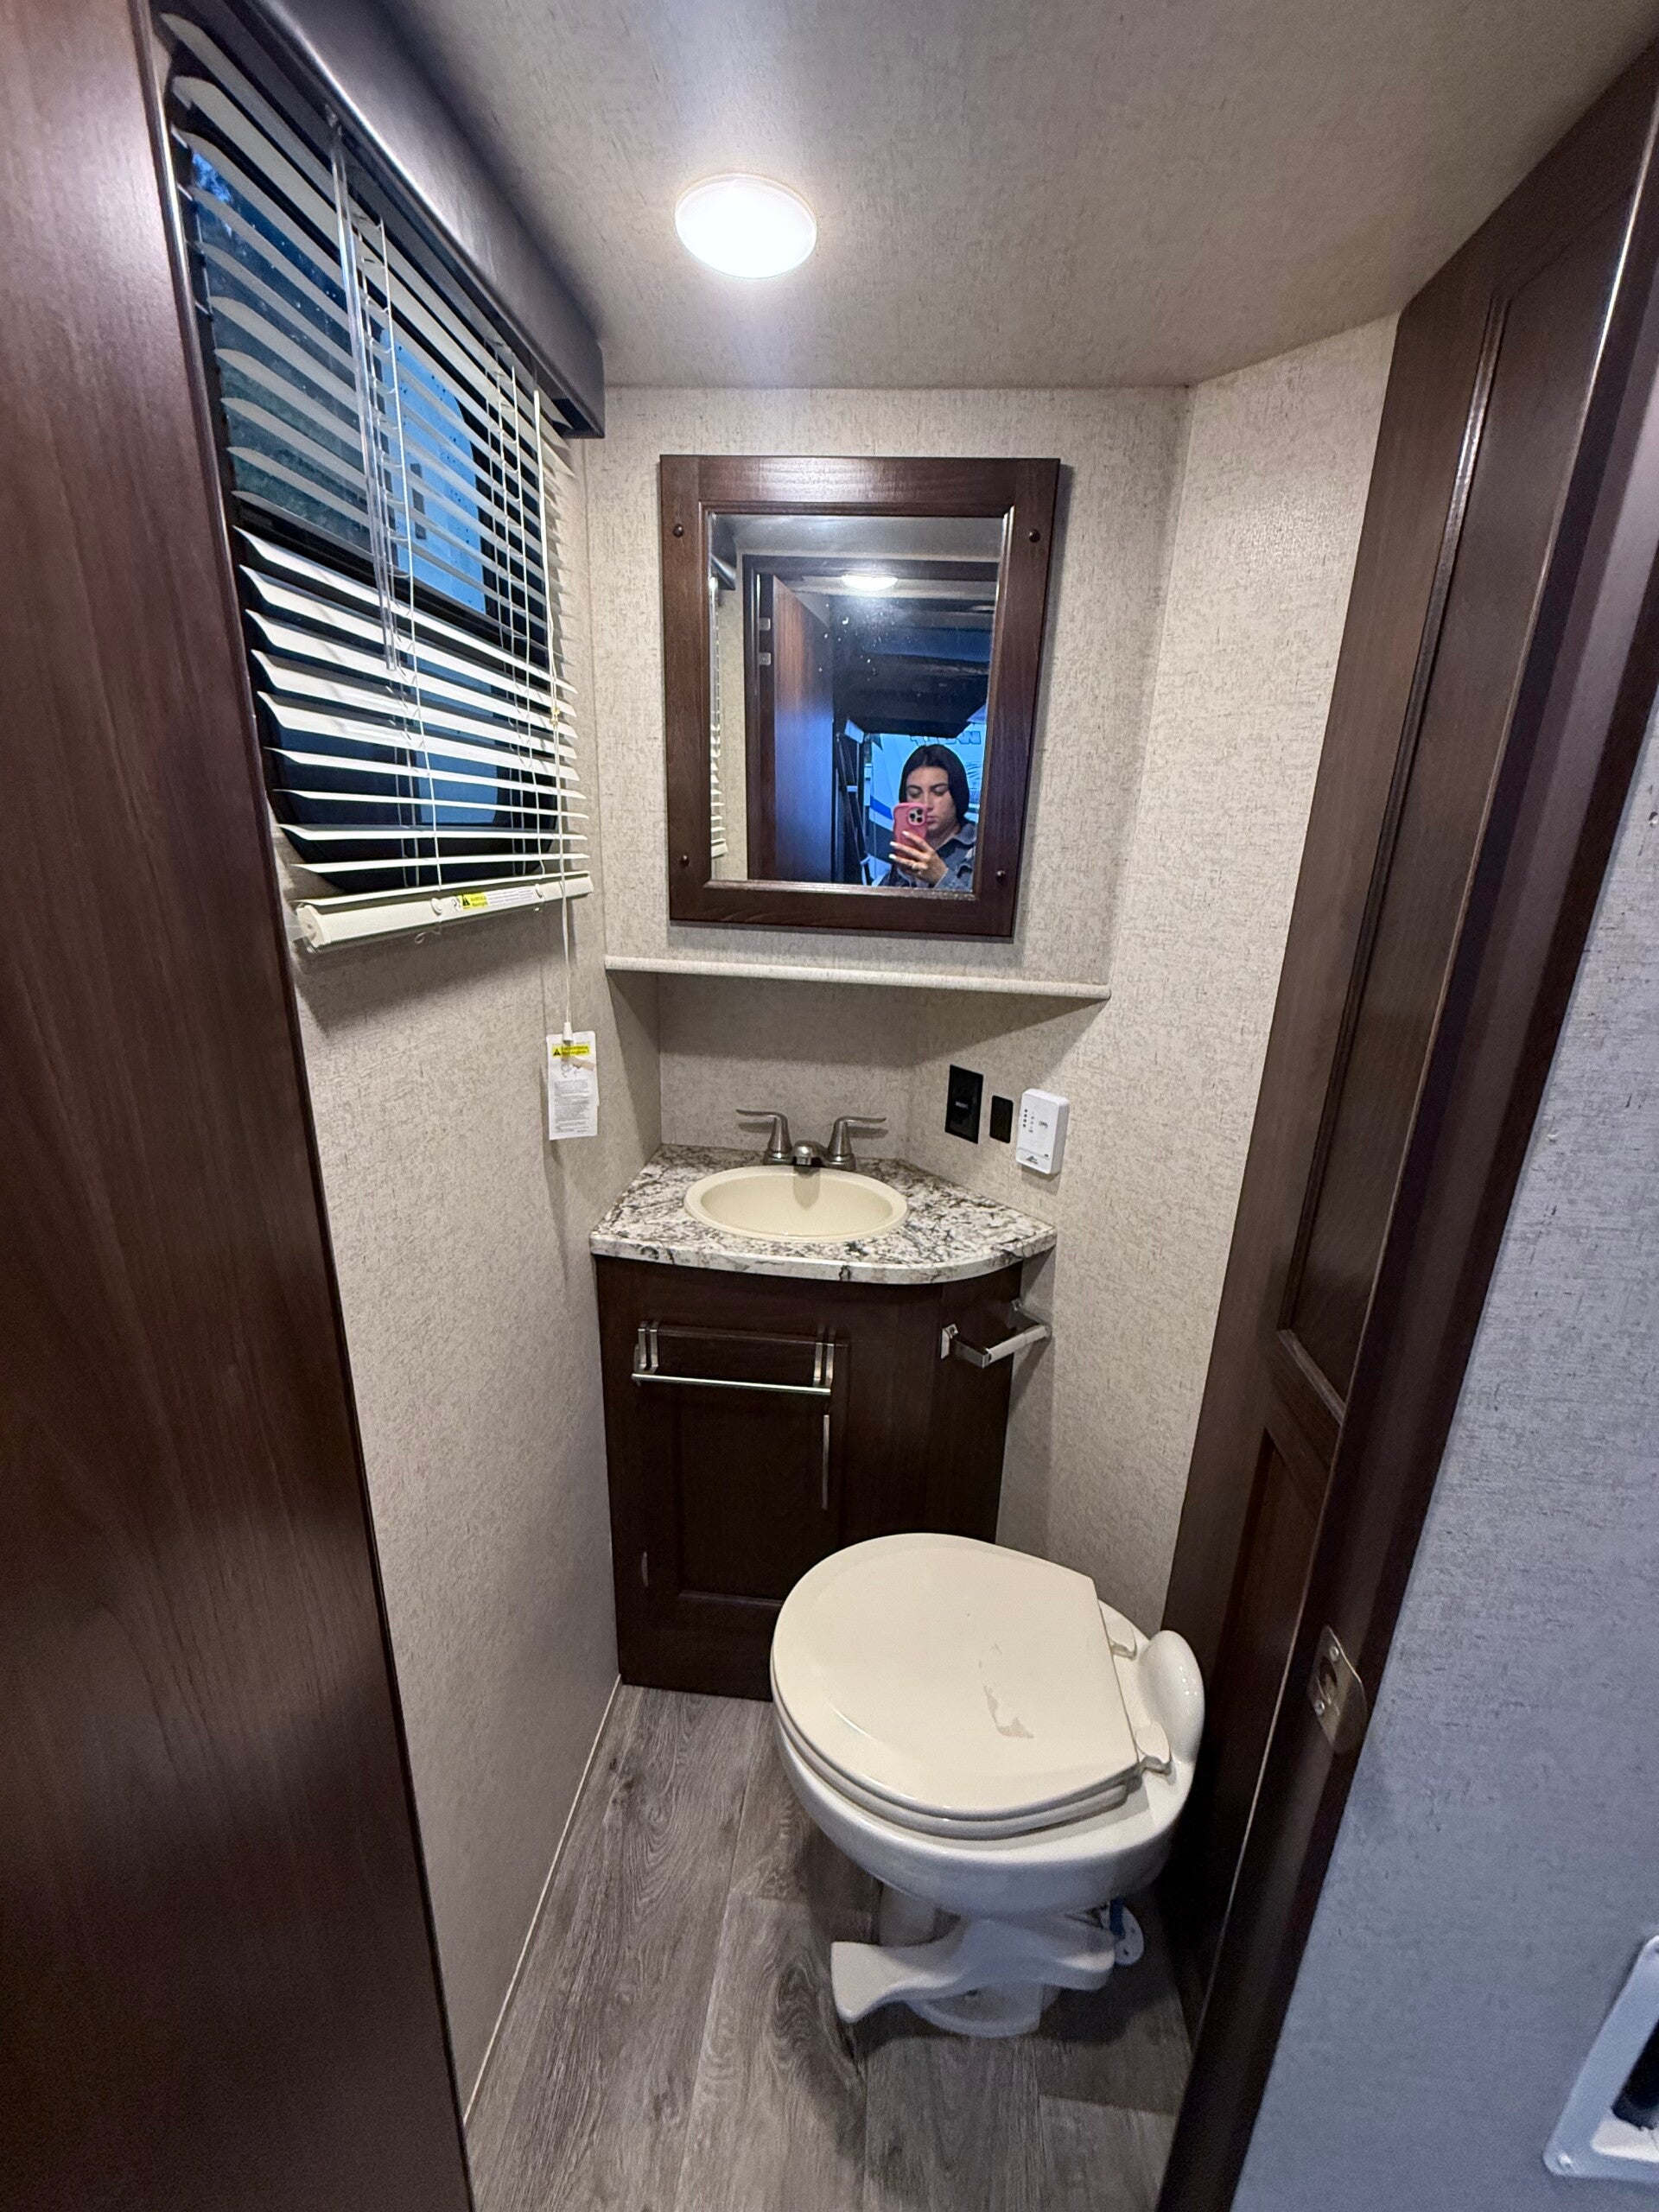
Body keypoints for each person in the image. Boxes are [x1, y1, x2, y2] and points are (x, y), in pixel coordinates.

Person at [880, 743, 976, 891]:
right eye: (915, 794)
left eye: (938, 792)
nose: (926, 804)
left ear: (957, 794)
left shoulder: (983, 847)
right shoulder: (905, 846)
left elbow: (992, 905)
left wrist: (941, 877)